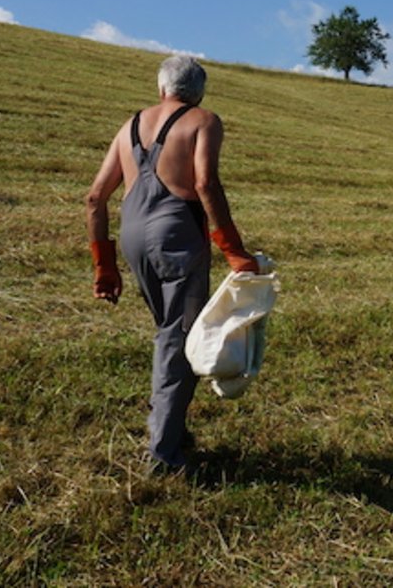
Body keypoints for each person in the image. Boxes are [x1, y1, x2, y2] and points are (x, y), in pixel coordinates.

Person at [85, 54, 260, 474]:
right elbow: (204, 183)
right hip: (177, 237)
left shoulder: (129, 126)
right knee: (177, 342)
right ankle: (164, 456)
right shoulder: (203, 121)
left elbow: (94, 198)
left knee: (170, 331)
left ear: (161, 87)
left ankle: (173, 431)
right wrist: (233, 249)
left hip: (132, 237)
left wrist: (104, 265)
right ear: (199, 91)